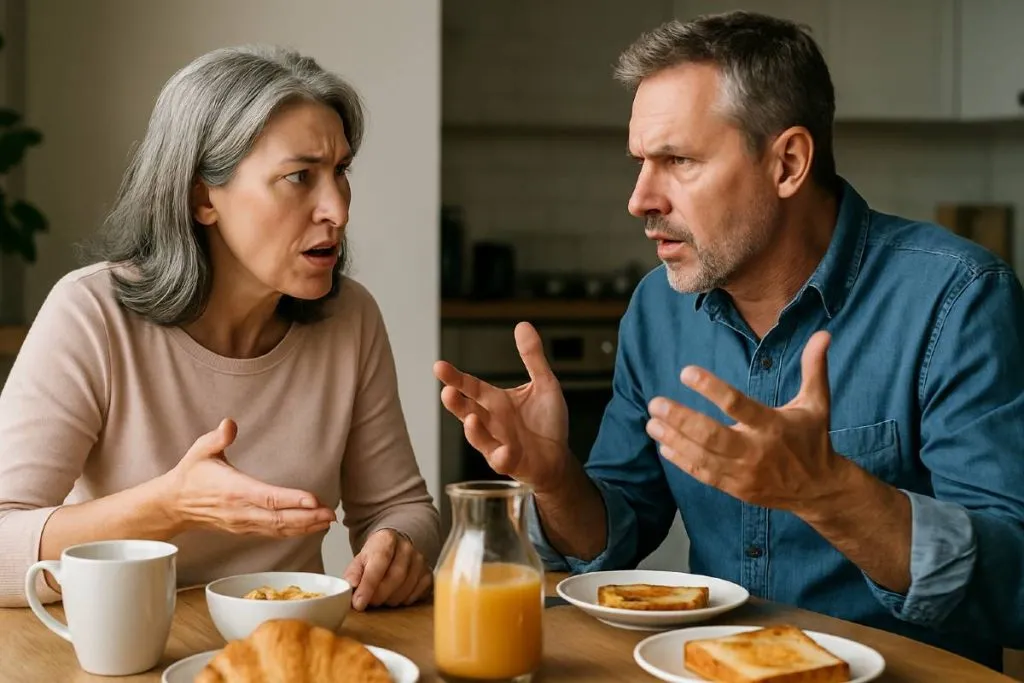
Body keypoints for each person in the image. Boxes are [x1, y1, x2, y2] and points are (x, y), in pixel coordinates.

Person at [435, 11, 1024, 670]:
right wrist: (554, 479)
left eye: (677, 160)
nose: (638, 198)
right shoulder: (658, 308)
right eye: (640, 163)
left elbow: (1014, 585)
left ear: (788, 163)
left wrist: (829, 490)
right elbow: (618, 534)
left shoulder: (956, 296)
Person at [0, 45, 440, 612]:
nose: (338, 209)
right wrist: (169, 507)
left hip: (290, 653)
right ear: (202, 196)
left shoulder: (350, 318)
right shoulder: (91, 314)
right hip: (134, 656)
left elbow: (400, 507)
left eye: (340, 172)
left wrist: (396, 547)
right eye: (299, 176)